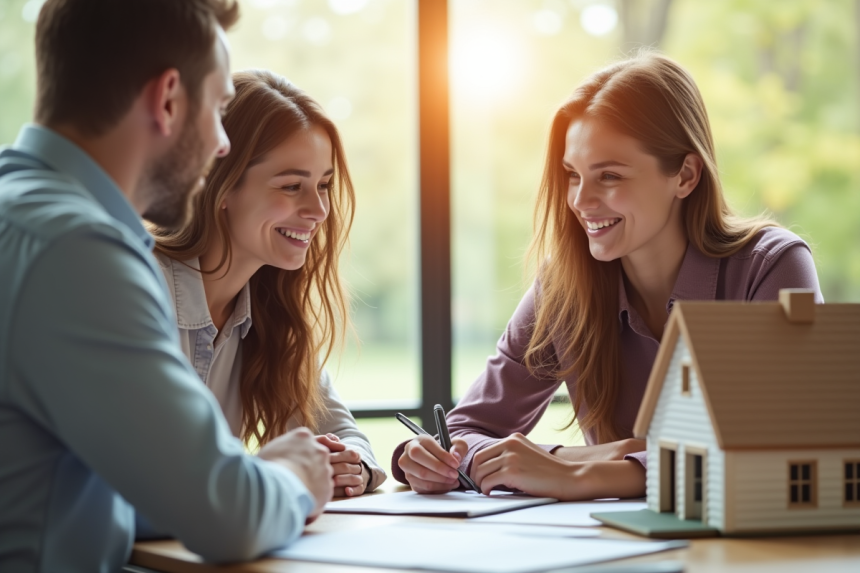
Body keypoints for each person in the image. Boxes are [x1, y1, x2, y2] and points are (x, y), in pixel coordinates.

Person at [393, 52, 823, 500]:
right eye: (572, 175)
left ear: (686, 175)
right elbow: (466, 430)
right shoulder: (565, 286)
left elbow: (781, 450)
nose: (581, 200)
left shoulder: (771, 267)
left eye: (610, 176)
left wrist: (585, 474)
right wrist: (441, 461)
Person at [0, 1, 333, 571]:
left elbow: (118, 493)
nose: (222, 144)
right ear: (169, 99)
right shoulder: (78, 252)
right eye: (220, 107)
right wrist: (291, 474)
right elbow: (227, 515)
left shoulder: (23, 217)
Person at [152, 70, 387, 497]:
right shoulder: (139, 290)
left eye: (324, 185)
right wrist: (273, 473)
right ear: (220, 185)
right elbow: (151, 474)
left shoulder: (267, 307)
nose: (318, 209)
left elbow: (344, 434)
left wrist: (351, 468)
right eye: (292, 186)